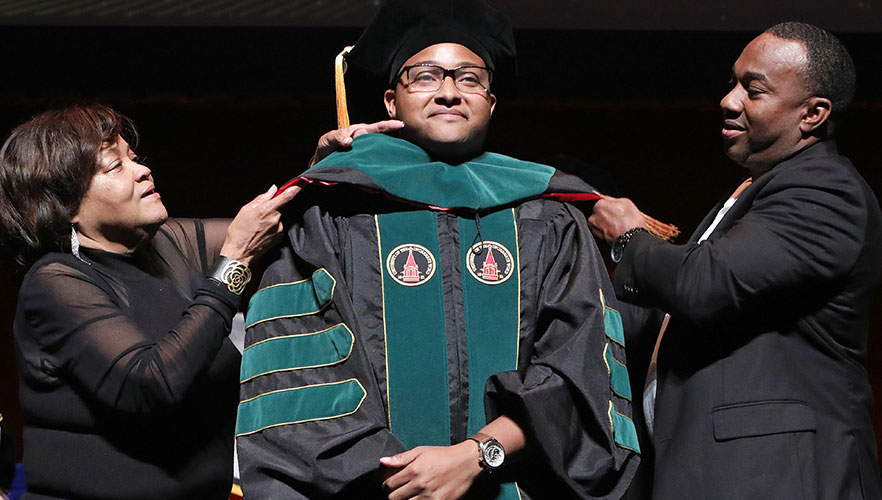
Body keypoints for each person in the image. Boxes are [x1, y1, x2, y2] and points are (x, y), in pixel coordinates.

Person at [236, 1, 640, 499]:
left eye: (469, 78)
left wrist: (476, 456)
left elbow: (581, 369)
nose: (448, 91)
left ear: (492, 102)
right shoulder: (329, 216)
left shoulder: (548, 217)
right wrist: (407, 477)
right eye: (425, 76)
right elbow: (299, 376)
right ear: (390, 101)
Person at [588, 22, 882, 500]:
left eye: (754, 89)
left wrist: (629, 237)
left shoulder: (828, 190)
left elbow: (704, 284)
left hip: (780, 477)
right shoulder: (759, 188)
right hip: (715, 473)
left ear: (812, 114)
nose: (729, 100)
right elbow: (675, 313)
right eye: (733, 82)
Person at [0, 104, 297, 499]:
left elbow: (277, 224)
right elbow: (153, 384)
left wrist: (329, 165)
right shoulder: (55, 282)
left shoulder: (171, 245)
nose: (142, 169)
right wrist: (233, 267)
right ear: (67, 205)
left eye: (133, 158)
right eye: (114, 166)